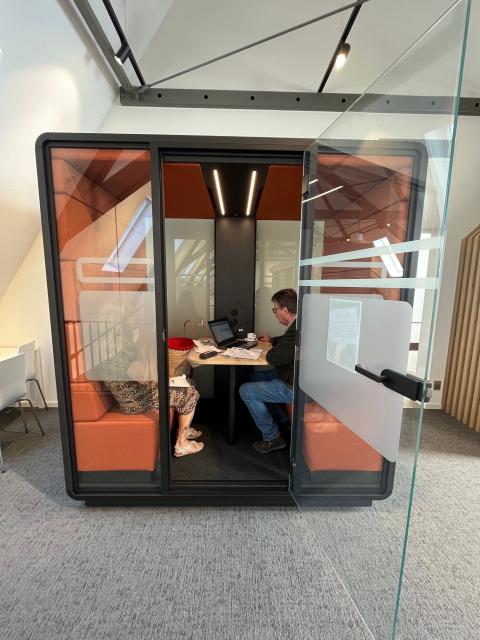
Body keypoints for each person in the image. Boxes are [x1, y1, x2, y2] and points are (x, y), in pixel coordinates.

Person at [101, 322, 204, 458]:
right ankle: (181, 444)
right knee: (189, 393)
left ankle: (184, 428)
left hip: (133, 390)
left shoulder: (111, 344)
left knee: (188, 383)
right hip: (133, 400)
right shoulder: (120, 350)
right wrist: (149, 345)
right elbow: (145, 378)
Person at [239, 288, 297, 454]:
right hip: (293, 375)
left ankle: (273, 438)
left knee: (246, 391)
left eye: (275, 310)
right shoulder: (298, 324)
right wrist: (272, 340)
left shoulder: (296, 331)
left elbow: (274, 358)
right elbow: (287, 342)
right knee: (252, 378)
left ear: (284, 310)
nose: (275, 313)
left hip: (292, 385)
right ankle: (281, 419)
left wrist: (271, 349)